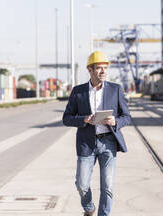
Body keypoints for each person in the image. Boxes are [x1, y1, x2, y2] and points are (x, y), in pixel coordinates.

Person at [63, 51, 131, 216]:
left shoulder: (115, 90)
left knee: (107, 186)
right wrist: (84, 119)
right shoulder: (78, 91)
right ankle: (89, 208)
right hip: (87, 143)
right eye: (99, 68)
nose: (103, 71)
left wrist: (116, 121)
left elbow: (127, 117)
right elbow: (66, 118)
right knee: (81, 184)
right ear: (90, 70)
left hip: (108, 142)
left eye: (105, 68)